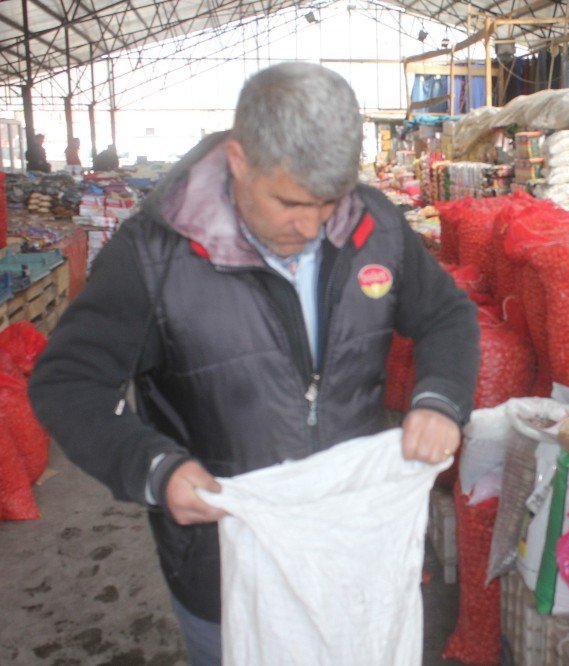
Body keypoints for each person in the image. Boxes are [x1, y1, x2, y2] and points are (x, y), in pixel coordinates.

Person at [28, 62, 480, 665]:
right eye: (291, 202)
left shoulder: (377, 227)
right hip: (226, 568)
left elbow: (447, 316)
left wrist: (441, 399)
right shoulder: (153, 257)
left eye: (328, 202)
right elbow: (67, 383)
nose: (312, 224)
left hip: (353, 549)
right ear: (239, 160)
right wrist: (153, 467)